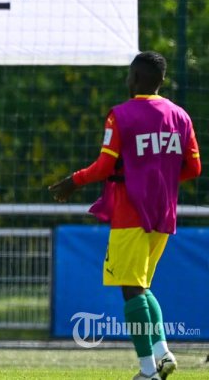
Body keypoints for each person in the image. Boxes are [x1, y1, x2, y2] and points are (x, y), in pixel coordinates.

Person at [48, 51, 201, 380]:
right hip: (164, 212)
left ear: (135, 79)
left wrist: (73, 181)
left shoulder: (121, 115)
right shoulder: (180, 116)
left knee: (130, 290)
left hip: (131, 212)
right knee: (142, 287)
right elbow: (194, 168)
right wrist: (157, 178)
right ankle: (163, 354)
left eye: (129, 76)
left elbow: (104, 167)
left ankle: (148, 370)